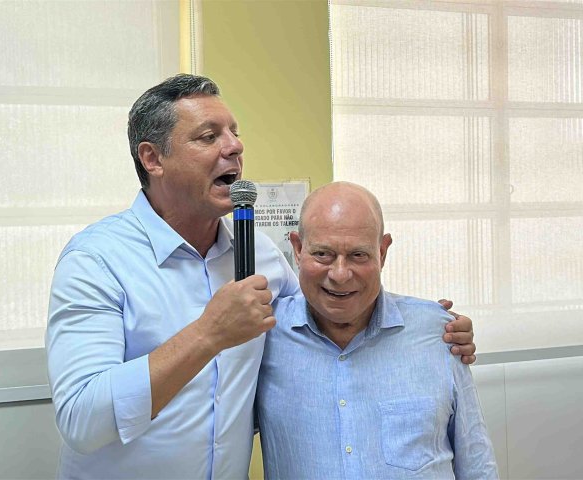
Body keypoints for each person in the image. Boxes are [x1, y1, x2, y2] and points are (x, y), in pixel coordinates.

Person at [45, 74, 476, 479]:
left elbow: (326, 309)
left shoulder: (262, 255)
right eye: (209, 136)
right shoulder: (96, 260)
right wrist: (208, 334)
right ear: (153, 158)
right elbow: (82, 420)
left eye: (234, 133)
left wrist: (423, 326)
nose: (234, 147)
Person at [257, 181, 497, 479]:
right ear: (297, 248)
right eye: (323, 254)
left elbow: (476, 462)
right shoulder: (262, 336)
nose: (340, 274)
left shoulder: (439, 333)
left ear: (382, 252)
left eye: (358, 255)